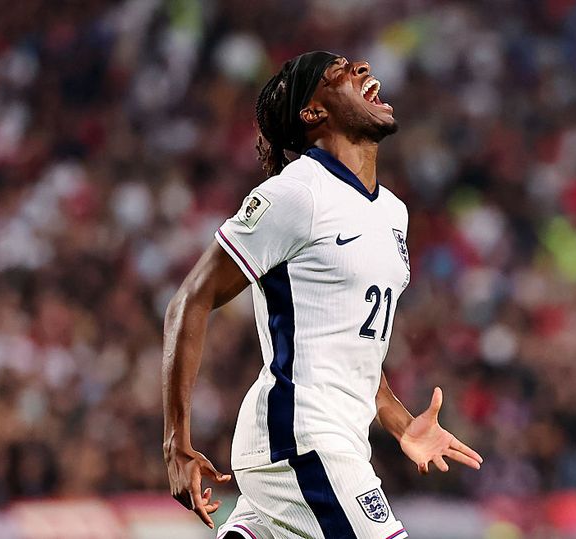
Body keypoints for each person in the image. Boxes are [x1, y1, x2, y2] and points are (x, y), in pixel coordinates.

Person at [162, 51, 483, 539]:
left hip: (333, 439)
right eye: (340, 72)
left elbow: (350, 346)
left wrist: (400, 424)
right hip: (302, 434)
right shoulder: (296, 194)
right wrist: (176, 444)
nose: (362, 69)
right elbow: (191, 300)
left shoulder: (393, 213)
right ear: (314, 113)